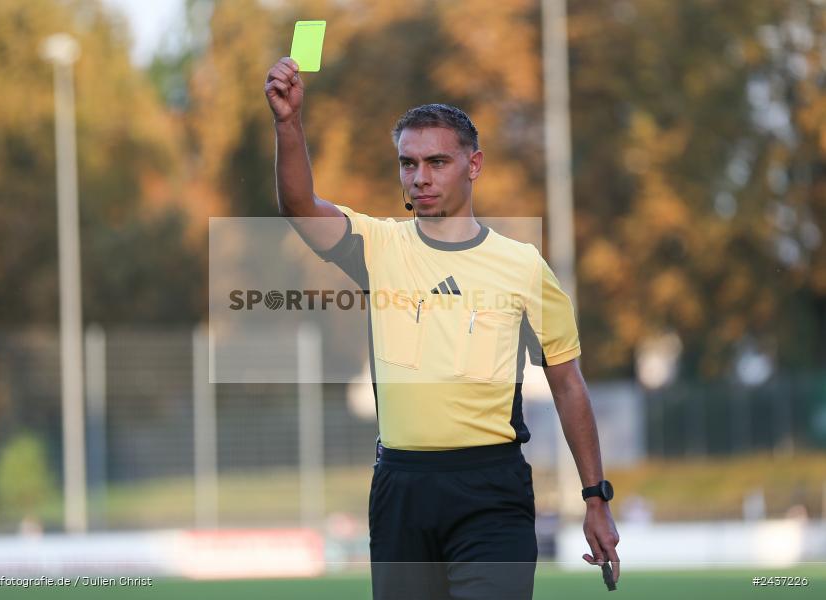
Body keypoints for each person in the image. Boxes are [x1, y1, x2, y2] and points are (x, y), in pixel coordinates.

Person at [265, 56, 620, 599]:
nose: (420, 178)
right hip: (400, 491)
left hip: (491, 490)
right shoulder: (377, 247)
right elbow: (298, 206)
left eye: (437, 162)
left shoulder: (522, 265)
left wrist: (595, 497)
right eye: (408, 164)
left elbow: (568, 383)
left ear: (473, 165)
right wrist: (288, 124)